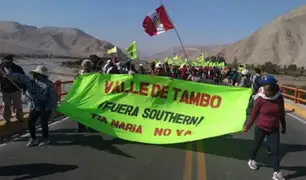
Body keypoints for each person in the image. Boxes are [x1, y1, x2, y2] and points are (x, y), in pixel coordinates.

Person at [2, 65, 58, 147]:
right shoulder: (31, 81)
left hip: (46, 107)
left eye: (36, 73)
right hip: (35, 106)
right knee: (30, 121)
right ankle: (33, 138)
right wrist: (10, 75)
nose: (34, 75)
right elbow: (21, 77)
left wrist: (53, 107)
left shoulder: (49, 84)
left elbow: (53, 96)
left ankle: (45, 138)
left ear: (42, 75)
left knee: (44, 123)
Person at [243, 75, 286, 180]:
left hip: (274, 129)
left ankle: (276, 172)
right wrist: (247, 126)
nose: (264, 91)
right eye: (263, 88)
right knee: (256, 145)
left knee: (276, 150)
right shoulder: (260, 98)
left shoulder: (279, 98)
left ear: (272, 89)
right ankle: (251, 159)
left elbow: (281, 113)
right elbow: (254, 114)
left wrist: (284, 126)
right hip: (261, 127)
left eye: (266, 89)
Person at [0, 55, 25, 124]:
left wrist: (24, 88)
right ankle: (7, 119)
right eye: (5, 60)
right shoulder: (0, 69)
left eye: (9, 61)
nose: (7, 62)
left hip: (16, 90)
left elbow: (23, 78)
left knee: (18, 105)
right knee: (6, 106)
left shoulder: (17, 68)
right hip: (5, 91)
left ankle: (20, 118)